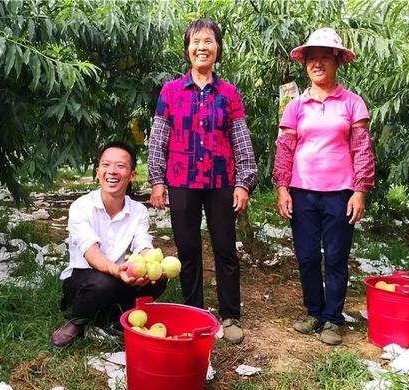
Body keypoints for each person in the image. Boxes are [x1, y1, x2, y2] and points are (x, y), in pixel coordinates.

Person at [148, 19, 257, 344]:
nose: (202, 47)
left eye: (208, 41)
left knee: (225, 248)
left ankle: (230, 314)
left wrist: (243, 181)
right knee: (188, 249)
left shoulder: (228, 93)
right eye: (196, 41)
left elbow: (240, 140)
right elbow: (158, 139)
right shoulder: (170, 91)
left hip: (221, 180)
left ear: (218, 49)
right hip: (181, 180)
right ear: (187, 49)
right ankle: (193, 312)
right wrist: (157, 179)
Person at [273, 28, 375, 345]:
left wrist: (360, 190)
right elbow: (285, 149)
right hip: (303, 193)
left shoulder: (352, 103)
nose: (317, 64)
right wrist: (282, 187)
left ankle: (332, 318)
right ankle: (314, 313)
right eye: (312, 59)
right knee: (306, 256)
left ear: (337, 62)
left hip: (340, 193)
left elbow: (361, 149)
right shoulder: (295, 105)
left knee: (335, 257)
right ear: (305, 64)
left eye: (324, 58)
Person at [51, 142, 167, 347]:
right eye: (106, 165)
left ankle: (113, 317)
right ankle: (76, 320)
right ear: (98, 172)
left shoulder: (138, 210)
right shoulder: (81, 207)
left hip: (119, 275)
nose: (111, 171)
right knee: (103, 283)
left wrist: (153, 265)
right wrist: (115, 270)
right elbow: (90, 252)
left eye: (120, 166)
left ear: (132, 175)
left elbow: (142, 243)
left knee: (157, 280)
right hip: (85, 278)